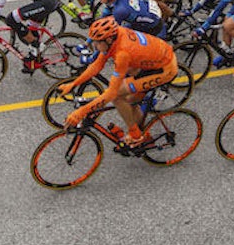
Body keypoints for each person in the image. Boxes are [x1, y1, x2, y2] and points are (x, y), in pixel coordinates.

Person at [60, 17, 180, 147]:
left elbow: (111, 93)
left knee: (117, 97)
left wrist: (81, 112)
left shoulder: (122, 53)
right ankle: (141, 131)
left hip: (165, 69)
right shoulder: (116, 35)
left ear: (109, 39)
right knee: (130, 100)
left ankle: (135, 134)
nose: (94, 45)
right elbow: (96, 66)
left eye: (97, 42)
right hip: (153, 58)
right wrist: (73, 84)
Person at [94, 0, 167, 37]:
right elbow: (102, 20)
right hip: (148, 14)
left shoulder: (120, 10)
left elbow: (110, 34)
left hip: (151, 27)